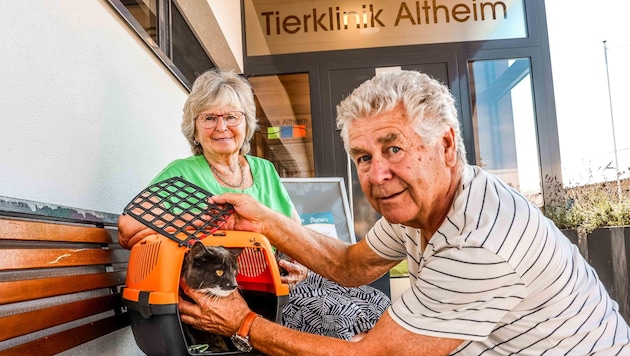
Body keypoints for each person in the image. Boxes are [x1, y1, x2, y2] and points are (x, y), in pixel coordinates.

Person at [178, 70, 630, 355]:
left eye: (393, 148)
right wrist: (263, 219)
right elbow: (349, 265)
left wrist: (241, 323)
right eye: (363, 157)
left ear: (447, 146)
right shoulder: (423, 209)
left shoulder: (477, 239)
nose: (377, 175)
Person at [117, 69, 390, 342]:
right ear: (195, 129)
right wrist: (202, 221)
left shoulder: (265, 169)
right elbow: (127, 229)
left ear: (246, 124)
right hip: (244, 290)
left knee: (379, 306)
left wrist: (302, 266)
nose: (221, 127)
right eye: (210, 118)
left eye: (231, 117)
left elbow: (296, 232)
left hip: (287, 279)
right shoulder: (181, 173)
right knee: (345, 327)